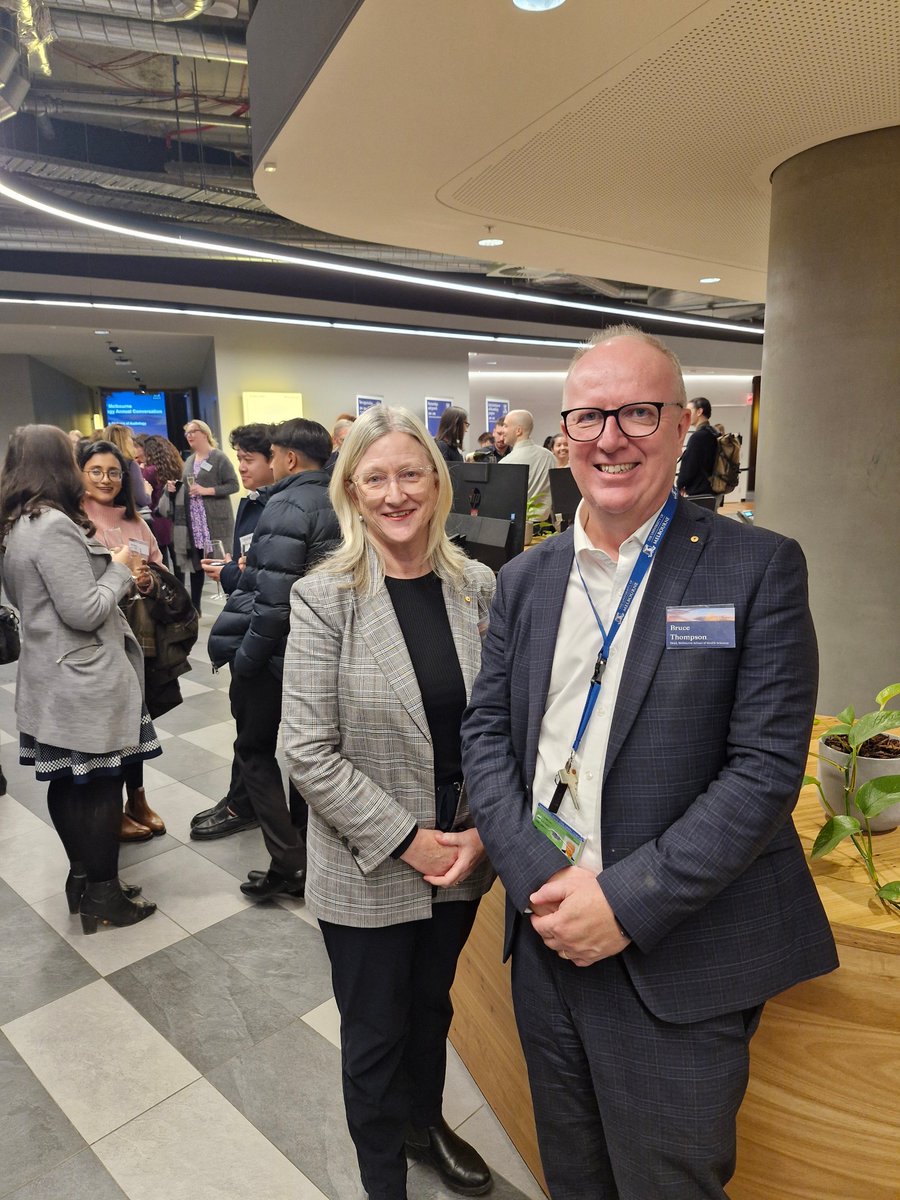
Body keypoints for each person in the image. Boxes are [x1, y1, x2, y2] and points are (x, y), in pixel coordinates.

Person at [461, 326, 838, 1200]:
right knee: (574, 1175)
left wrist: (623, 902)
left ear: (680, 427)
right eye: (589, 416)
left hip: (679, 953)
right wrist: (536, 879)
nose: (611, 437)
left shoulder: (757, 567)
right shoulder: (527, 578)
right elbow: (486, 733)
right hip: (548, 935)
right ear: (565, 436)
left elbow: (764, 770)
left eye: (637, 412)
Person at [283, 405, 496, 1200]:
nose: (396, 492)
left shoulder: (478, 587)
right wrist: (409, 839)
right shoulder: (325, 596)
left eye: (412, 473)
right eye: (377, 477)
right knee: (375, 1033)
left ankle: (424, 1125)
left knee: (432, 1008)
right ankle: (383, 1179)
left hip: (461, 854)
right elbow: (306, 750)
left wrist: (480, 835)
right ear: (352, 491)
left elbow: (501, 725)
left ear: (439, 484)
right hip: (368, 861)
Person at [0, 425, 159, 933]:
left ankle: (84, 880)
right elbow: (84, 610)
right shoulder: (52, 526)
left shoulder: (19, 523)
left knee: (70, 784)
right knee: (95, 787)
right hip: (81, 677)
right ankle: (104, 894)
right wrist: (119, 566)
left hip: (53, 674)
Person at [207, 418, 338, 897]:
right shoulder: (344, 498)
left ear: (288, 458)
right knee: (308, 754)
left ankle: (288, 863)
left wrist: (246, 658)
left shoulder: (285, 502)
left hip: (277, 653)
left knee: (254, 751)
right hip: (324, 653)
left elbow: (275, 602)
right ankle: (307, 851)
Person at [76, 439, 167, 842]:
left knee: (138, 718)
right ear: (80, 474)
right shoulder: (73, 519)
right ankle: (109, 807)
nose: (106, 479)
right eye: (96, 471)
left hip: (139, 634)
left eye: (113, 472)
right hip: (96, 639)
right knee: (110, 723)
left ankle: (137, 798)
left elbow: (159, 566)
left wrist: (149, 579)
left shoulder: (135, 520)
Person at [191, 423, 274, 841]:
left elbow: (270, 577)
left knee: (256, 731)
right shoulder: (250, 502)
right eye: (238, 458)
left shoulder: (283, 507)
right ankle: (241, 800)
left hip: (268, 633)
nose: (242, 467)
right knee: (247, 722)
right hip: (246, 621)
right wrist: (230, 572)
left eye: (248, 459)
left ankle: (246, 806)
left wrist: (232, 574)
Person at [159, 419, 239, 615]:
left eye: (193, 431)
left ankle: (231, 602)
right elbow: (187, 487)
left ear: (205, 432)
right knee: (196, 564)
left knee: (220, 561)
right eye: (186, 433)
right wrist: (174, 488)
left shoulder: (219, 458)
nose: (189, 436)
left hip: (215, 520)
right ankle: (196, 607)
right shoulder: (189, 460)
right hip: (193, 521)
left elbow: (233, 485)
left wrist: (207, 490)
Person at [497, 409, 557, 520]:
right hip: (546, 526)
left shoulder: (506, 463)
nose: (502, 431)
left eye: (505, 426)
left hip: (518, 527)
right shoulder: (549, 457)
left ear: (518, 430)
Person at [141, 434, 184, 576]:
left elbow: (146, 497)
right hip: (174, 518)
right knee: (178, 563)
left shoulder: (149, 471)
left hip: (157, 519)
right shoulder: (177, 466)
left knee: (161, 563)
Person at [102, 423, 152, 512]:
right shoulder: (130, 465)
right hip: (127, 516)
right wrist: (148, 492)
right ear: (126, 441)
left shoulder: (102, 464)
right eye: (131, 438)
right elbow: (142, 500)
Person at [676, 396, 720, 496]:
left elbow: (689, 465)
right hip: (713, 490)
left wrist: (680, 484)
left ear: (699, 411)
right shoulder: (714, 433)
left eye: (690, 410)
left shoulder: (698, 437)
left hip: (699, 492)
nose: (687, 414)